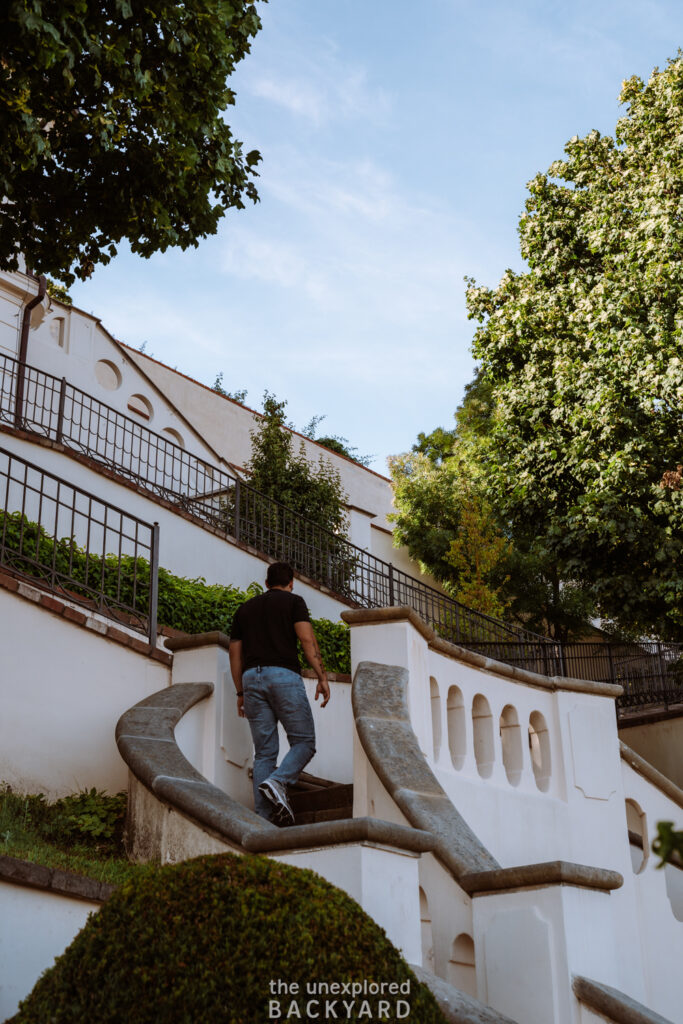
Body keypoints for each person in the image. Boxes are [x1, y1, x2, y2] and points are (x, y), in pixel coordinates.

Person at [228, 561, 330, 826]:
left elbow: (235, 654)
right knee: (304, 742)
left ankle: (263, 817)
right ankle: (277, 781)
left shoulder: (244, 609)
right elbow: (307, 641)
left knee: (264, 753)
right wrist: (321, 677)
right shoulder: (294, 602)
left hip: (251, 679)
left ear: (266, 583)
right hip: (283, 675)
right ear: (291, 582)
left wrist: (240, 692)